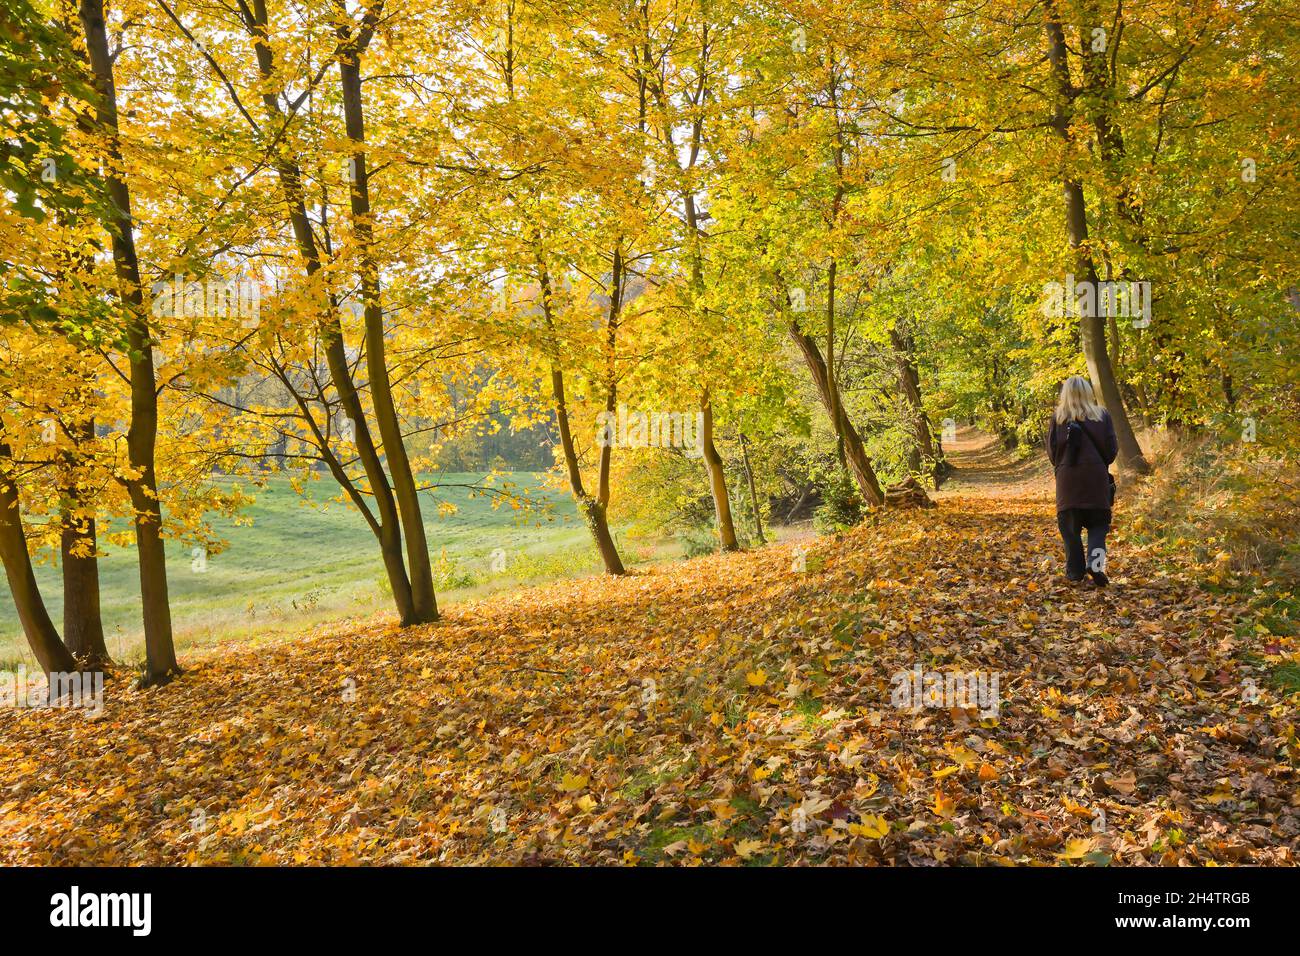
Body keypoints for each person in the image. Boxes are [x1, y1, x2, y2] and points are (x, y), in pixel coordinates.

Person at [1047, 376, 1118, 585]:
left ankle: (1075, 572)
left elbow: (1052, 454)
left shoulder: (1058, 418)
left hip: (1068, 481)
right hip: (1096, 480)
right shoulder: (1102, 415)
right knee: (1098, 526)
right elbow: (1111, 451)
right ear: (1088, 392)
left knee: (1070, 528)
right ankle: (1095, 566)